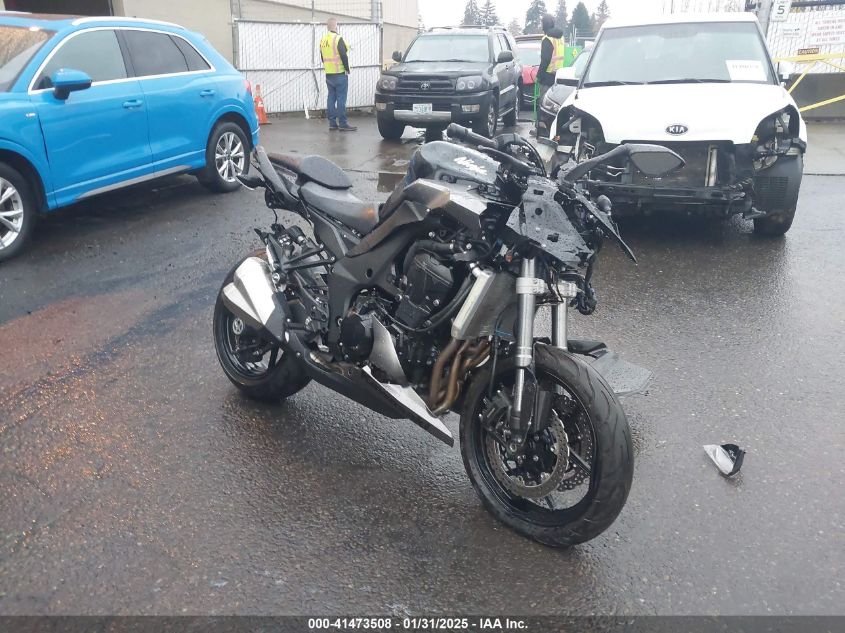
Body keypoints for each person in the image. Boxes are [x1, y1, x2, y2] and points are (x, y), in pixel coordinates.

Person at [320, 17, 356, 132]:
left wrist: (328, 67)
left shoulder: (323, 40)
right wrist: (347, 69)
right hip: (339, 73)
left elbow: (322, 57)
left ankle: (332, 123)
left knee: (331, 97)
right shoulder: (338, 38)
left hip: (329, 73)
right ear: (336, 26)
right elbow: (343, 55)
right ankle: (343, 123)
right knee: (341, 99)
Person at [535, 14, 566, 120]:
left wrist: (538, 76)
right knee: (555, 104)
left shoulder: (547, 39)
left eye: (542, 23)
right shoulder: (561, 38)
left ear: (545, 24)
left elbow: (545, 60)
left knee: (543, 103)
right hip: (559, 76)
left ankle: (541, 125)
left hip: (547, 76)